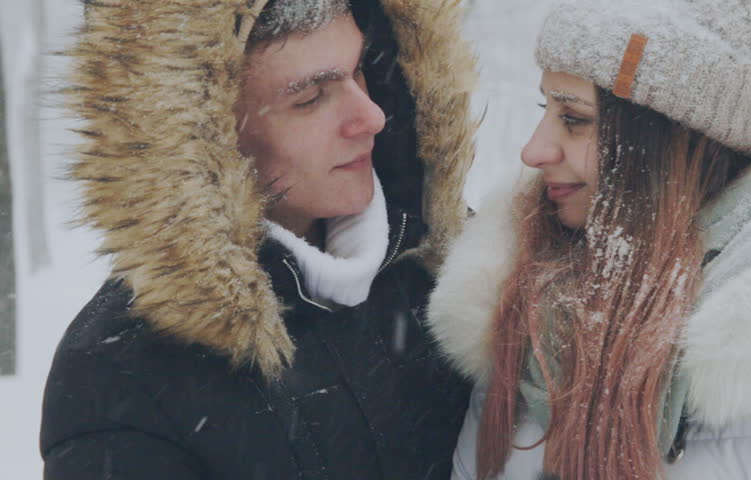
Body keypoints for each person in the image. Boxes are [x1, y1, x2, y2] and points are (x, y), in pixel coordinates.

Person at [40, 0, 478, 478]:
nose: (371, 117)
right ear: (206, 139)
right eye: (310, 98)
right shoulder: (118, 380)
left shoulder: (446, 269)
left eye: (360, 70)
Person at [427, 0, 751, 478]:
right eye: (545, 107)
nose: (532, 150)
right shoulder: (518, 277)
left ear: (672, 140)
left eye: (575, 119)